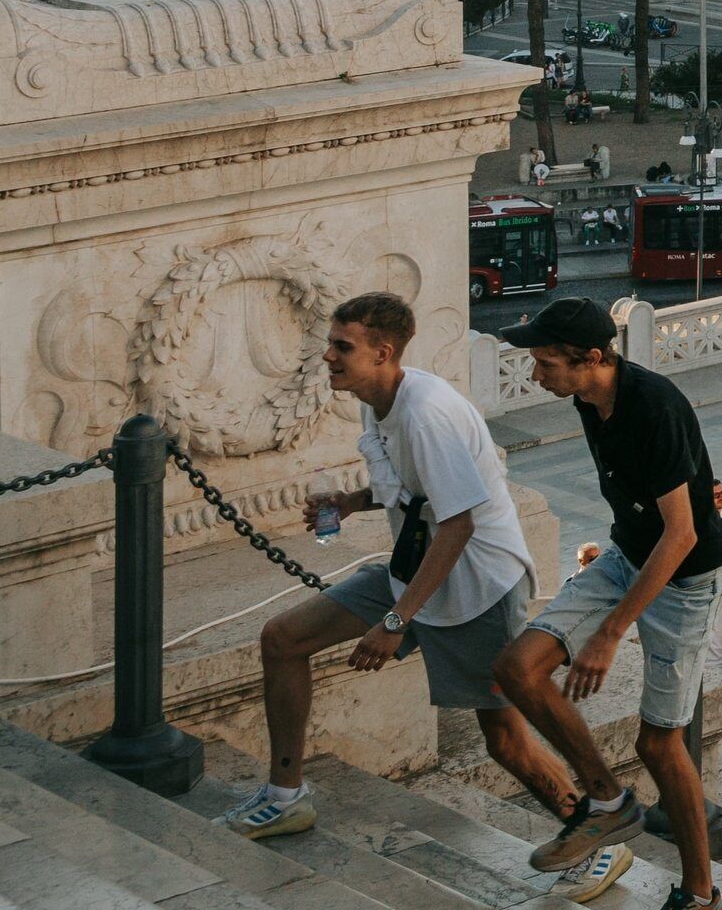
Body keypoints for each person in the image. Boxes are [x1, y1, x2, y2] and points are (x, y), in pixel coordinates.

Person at [221, 294, 551, 868]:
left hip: (478, 587)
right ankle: (285, 796)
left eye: (341, 346)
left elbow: (458, 524)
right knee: (282, 639)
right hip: (415, 571)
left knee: (504, 742)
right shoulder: (376, 400)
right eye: (331, 343)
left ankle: (593, 829)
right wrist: (353, 501)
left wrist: (396, 623)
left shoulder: (425, 412)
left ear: (383, 352)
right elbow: (414, 485)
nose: (327, 356)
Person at [486, 296, 722, 910]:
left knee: (658, 744)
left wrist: (610, 632)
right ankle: (606, 800)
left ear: (591, 359)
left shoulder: (654, 407)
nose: (536, 375)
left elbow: (683, 534)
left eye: (545, 363)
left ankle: (701, 894)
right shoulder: (589, 397)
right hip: (627, 554)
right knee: (516, 669)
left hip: (686, 578)